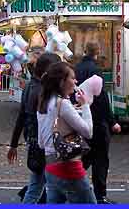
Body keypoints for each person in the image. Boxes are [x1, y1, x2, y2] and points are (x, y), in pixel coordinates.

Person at [37, 62, 96, 204]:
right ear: (62, 81)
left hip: (50, 169)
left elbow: (41, 142)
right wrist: (85, 106)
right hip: (69, 168)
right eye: (72, 78)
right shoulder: (63, 104)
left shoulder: (43, 104)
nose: (76, 82)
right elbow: (88, 132)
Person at [8, 53, 62, 203]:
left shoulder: (30, 87)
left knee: (37, 185)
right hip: (43, 144)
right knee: (50, 186)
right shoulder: (42, 91)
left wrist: (13, 144)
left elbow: (21, 117)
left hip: (33, 140)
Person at [75, 42, 121, 204]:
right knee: (100, 160)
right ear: (98, 52)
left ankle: (71, 185)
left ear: (85, 51)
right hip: (97, 121)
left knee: (85, 156)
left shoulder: (77, 68)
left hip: (81, 119)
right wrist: (112, 121)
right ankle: (100, 195)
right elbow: (101, 99)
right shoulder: (96, 71)